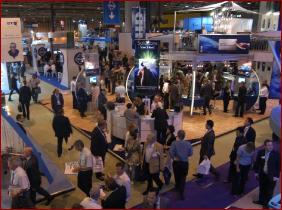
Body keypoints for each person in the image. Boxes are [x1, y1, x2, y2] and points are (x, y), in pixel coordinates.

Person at [253, 139, 280, 208]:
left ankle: (266, 204)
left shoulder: (276, 154)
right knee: (262, 188)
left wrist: (276, 176)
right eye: (268, 145)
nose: (270, 146)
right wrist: (256, 172)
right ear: (264, 146)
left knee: (269, 191)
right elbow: (257, 162)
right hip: (262, 174)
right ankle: (261, 200)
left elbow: (278, 166)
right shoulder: (260, 152)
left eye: (271, 145)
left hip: (272, 176)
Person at [169, 130, 193, 200]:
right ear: (184, 136)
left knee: (177, 176)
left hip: (176, 163)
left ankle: (177, 186)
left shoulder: (174, 143)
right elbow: (190, 153)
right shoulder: (188, 144)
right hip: (185, 163)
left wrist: (174, 157)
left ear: (178, 135)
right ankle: (181, 192)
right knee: (183, 177)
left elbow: (171, 153)